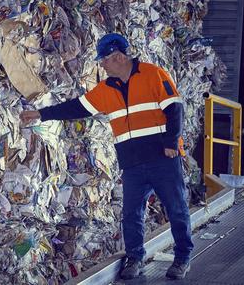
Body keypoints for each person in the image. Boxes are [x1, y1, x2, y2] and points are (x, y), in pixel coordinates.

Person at [20, 33, 194, 280]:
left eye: (104, 60)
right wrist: (41, 114)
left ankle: (182, 258)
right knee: (131, 214)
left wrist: (170, 143)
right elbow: (76, 108)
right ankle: (135, 258)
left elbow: (175, 108)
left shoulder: (153, 74)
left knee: (176, 208)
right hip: (132, 163)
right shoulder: (106, 89)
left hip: (162, 158)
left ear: (119, 57)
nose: (101, 65)